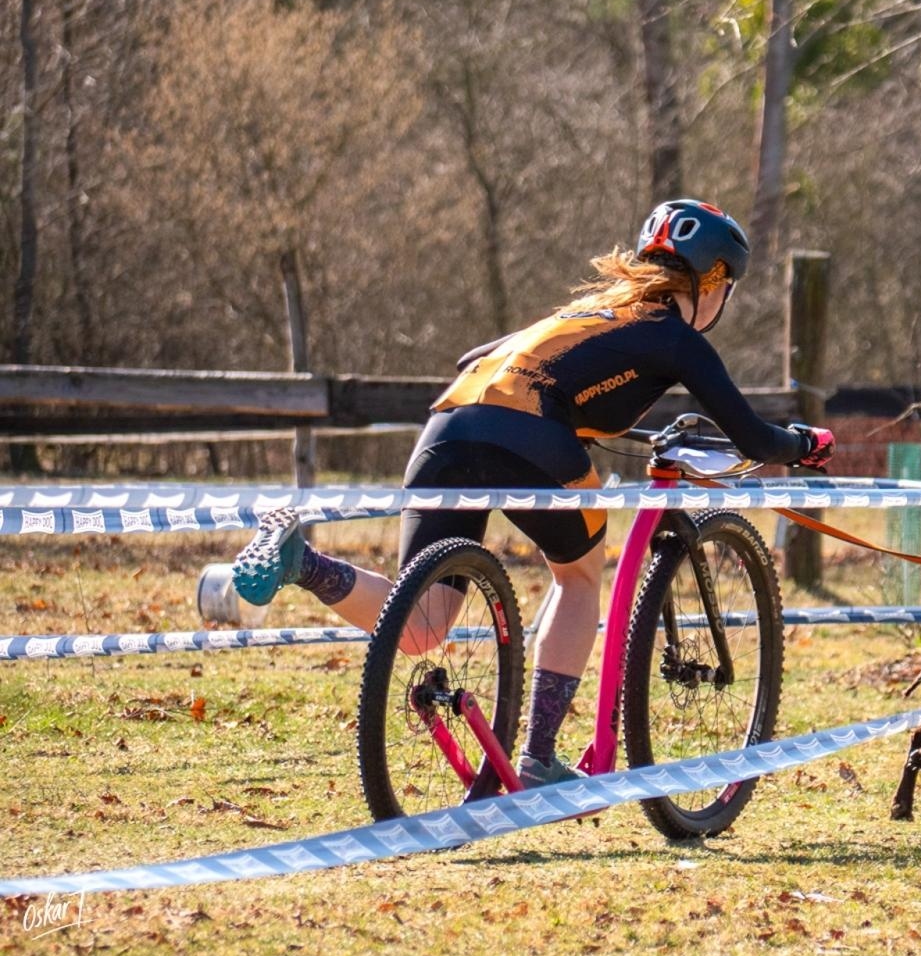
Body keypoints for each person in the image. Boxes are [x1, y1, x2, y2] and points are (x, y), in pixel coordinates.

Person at [221, 200, 834, 786]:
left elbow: (478, 357)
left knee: (423, 623)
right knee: (579, 578)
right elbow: (751, 436)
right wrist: (805, 443)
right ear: (713, 280)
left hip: (447, 423)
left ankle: (302, 562)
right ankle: (539, 755)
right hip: (525, 430)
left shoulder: (589, 313)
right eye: (728, 287)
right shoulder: (673, 335)